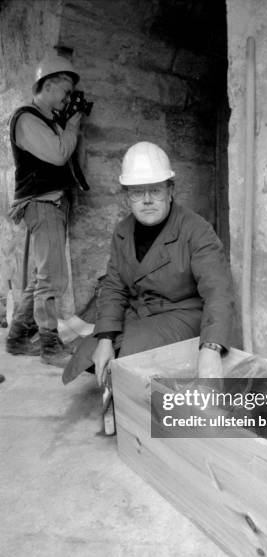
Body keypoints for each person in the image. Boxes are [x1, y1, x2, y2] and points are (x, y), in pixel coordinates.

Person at [62, 141, 234, 386]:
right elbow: (114, 286)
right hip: (142, 312)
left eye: (155, 190)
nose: (147, 200)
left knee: (133, 353)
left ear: (170, 190)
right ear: (127, 197)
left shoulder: (196, 230)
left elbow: (218, 290)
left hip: (182, 314)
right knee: (90, 351)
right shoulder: (123, 231)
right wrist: (105, 338)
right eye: (137, 192)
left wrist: (211, 347)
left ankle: (135, 393)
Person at [6, 53, 87, 367]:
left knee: (40, 278)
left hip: (49, 202)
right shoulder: (26, 118)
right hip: (41, 203)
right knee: (52, 279)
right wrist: (73, 126)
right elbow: (56, 155)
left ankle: (17, 338)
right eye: (65, 92)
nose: (68, 99)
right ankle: (50, 346)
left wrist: (66, 123)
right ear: (49, 85)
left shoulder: (47, 120)